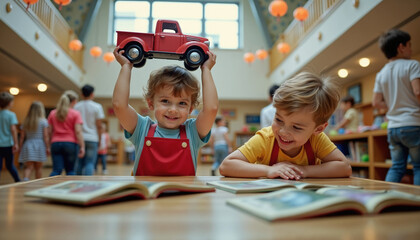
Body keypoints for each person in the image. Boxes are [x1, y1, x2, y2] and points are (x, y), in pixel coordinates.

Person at [219, 72, 352, 179]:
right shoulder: (266, 138)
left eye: (296, 127)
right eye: (278, 120)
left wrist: (303, 170)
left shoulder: (317, 140)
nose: (283, 131)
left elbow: (344, 167)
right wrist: (269, 170)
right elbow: (226, 166)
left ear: (318, 129)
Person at [112, 46, 218, 176]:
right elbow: (119, 105)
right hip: (146, 195)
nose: (173, 110)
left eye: (182, 103)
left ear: (190, 109)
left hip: (185, 195)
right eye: (165, 101)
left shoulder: (193, 132)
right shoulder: (141, 128)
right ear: (151, 103)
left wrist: (206, 69)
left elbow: (211, 109)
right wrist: (126, 66)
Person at [373, 29, 420, 185]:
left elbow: (376, 102)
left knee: (397, 167)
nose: (411, 49)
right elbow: (418, 92)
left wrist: (394, 106)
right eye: (409, 45)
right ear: (401, 47)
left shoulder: (381, 73)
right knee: (418, 166)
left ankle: (387, 197)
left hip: (393, 128)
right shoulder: (412, 65)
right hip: (413, 124)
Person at [48, 90, 85, 176]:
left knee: (56, 170)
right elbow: (78, 131)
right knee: (70, 170)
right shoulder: (75, 113)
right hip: (70, 144)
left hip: (55, 143)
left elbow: (49, 131)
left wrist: (49, 145)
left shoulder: (53, 113)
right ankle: (71, 189)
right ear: (72, 101)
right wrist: (82, 146)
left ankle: (49, 187)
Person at [74, 84, 105, 175]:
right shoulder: (97, 107)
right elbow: (99, 126)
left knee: (79, 162)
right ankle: (87, 184)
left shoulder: (76, 107)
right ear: (92, 94)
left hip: (80, 138)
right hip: (92, 138)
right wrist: (99, 139)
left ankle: (77, 183)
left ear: (82, 94)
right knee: (90, 162)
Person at [18, 101, 49, 180]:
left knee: (28, 167)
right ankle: (37, 183)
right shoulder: (43, 121)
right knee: (38, 168)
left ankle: (25, 180)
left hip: (28, 144)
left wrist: (20, 147)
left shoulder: (26, 121)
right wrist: (48, 147)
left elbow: (22, 137)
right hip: (40, 145)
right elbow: (45, 136)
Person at [0, 92, 21, 182]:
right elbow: (13, 130)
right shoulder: (11, 115)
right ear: (9, 103)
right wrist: (16, 143)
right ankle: (17, 180)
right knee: (10, 165)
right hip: (8, 145)